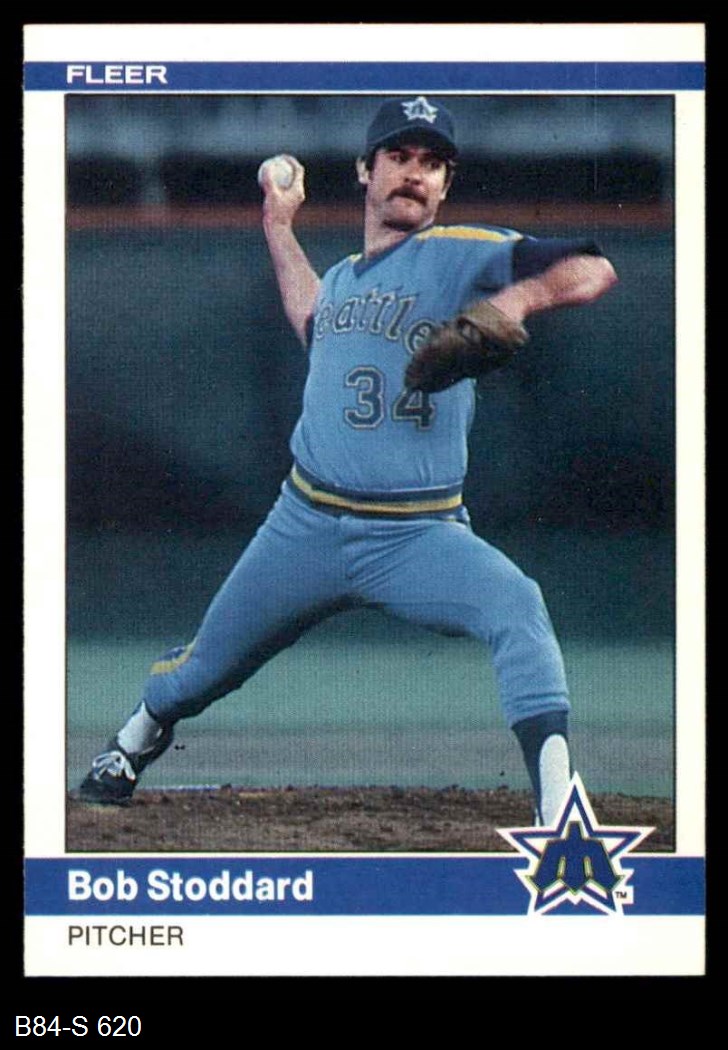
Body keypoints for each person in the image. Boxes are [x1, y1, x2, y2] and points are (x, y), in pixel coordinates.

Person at [80, 96, 617, 825]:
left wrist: (515, 303)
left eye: (432, 163)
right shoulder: (343, 280)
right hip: (304, 525)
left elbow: (592, 268)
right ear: (367, 170)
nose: (414, 173)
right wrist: (278, 227)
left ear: (445, 186)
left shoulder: (461, 253)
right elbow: (314, 320)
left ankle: (557, 805)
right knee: (199, 672)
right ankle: (133, 740)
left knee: (518, 604)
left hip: (418, 536)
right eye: (399, 156)